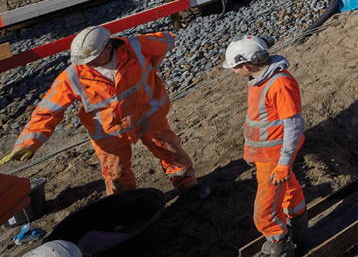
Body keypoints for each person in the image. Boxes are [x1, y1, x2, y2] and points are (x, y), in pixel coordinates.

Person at [1, 27, 209, 200]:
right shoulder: (74, 75)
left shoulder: (136, 47)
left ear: (109, 47)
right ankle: (125, 207)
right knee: (116, 174)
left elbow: (166, 40)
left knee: (170, 150)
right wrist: (28, 143)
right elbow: (47, 111)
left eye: (91, 58)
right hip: (109, 133)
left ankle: (187, 185)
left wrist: (152, 67)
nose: (86, 65)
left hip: (147, 115)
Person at [225, 35, 307, 257]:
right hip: (269, 154)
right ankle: (300, 228)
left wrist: (283, 162)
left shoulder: (279, 83)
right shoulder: (259, 78)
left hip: (275, 155)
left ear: (247, 64)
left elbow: (294, 124)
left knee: (264, 212)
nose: (233, 71)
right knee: (288, 188)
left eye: (234, 67)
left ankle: (278, 246)